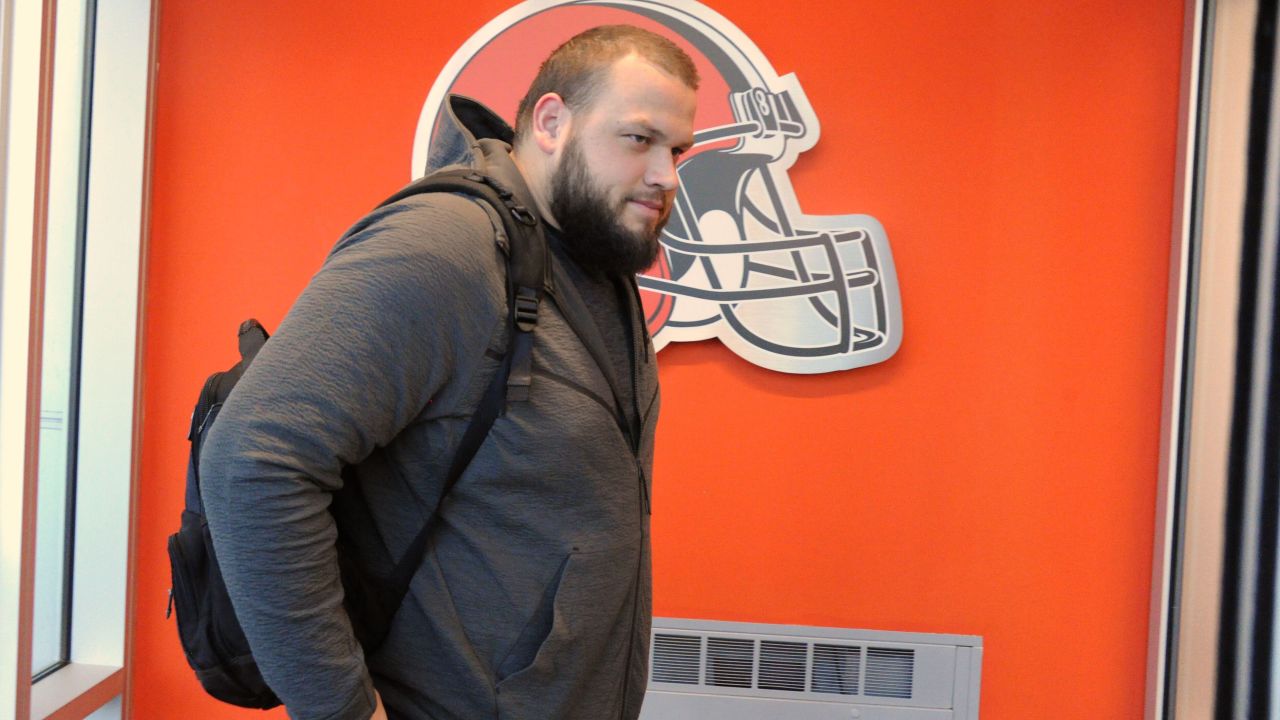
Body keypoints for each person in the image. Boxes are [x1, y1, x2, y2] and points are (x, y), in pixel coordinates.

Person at [198, 25, 698, 720]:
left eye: (678, 150)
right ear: (552, 122)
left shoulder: (589, 256)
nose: (666, 175)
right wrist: (342, 711)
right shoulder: (447, 248)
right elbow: (251, 460)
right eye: (639, 140)